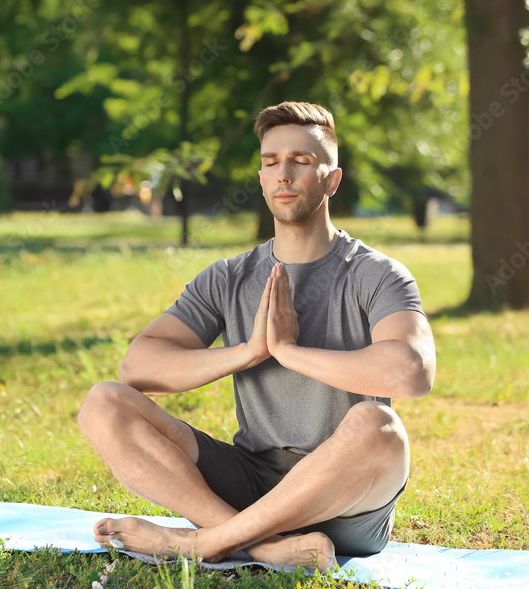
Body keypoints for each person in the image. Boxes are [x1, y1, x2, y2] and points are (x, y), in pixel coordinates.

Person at [77, 101, 436, 570]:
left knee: (380, 428)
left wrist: (289, 351)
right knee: (104, 402)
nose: (283, 174)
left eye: (301, 162)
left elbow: (411, 373)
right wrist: (247, 352)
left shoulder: (376, 274)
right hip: (249, 477)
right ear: (263, 179)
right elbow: (138, 366)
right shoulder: (229, 277)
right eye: (271, 163)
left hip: (343, 498)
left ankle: (200, 544)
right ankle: (260, 546)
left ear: (332, 180)